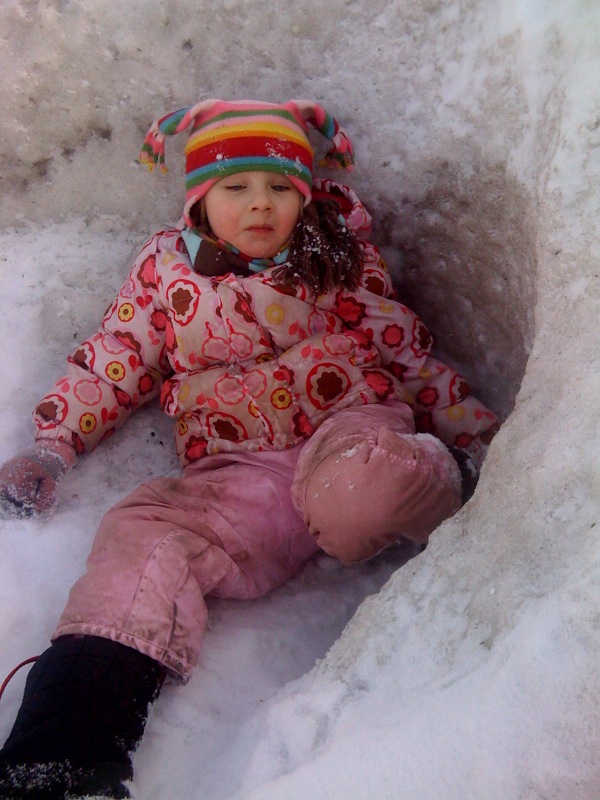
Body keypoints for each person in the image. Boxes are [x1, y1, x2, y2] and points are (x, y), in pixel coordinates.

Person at [0, 98, 498, 798]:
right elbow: (116, 358)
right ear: (200, 198)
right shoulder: (165, 274)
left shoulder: (337, 258)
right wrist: (53, 445)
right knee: (144, 535)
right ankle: (66, 754)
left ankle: (447, 480)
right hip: (241, 475)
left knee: (356, 489)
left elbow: (407, 352)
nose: (259, 205)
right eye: (235, 188)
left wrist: (480, 437)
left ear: (305, 195)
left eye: (280, 188)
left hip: (351, 428)